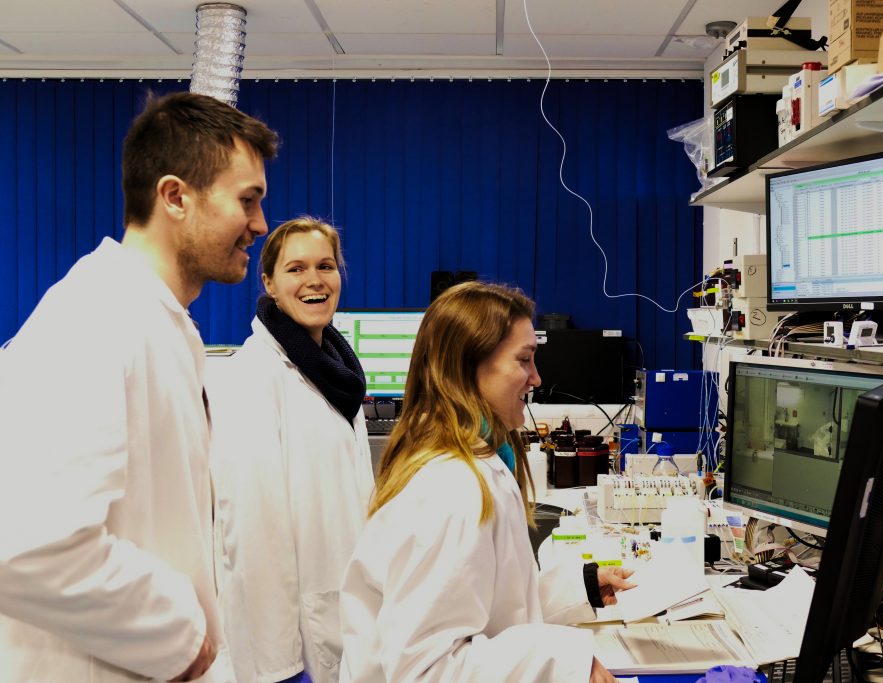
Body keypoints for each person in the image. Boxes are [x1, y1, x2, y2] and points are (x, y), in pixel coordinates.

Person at [0, 92, 278, 682]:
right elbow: (24, 544)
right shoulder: (93, 317)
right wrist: (180, 635)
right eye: (247, 200)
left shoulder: (161, 322)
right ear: (175, 196)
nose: (260, 225)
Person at [338, 281, 635, 683]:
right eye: (524, 360)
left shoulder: (479, 459)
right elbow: (425, 671)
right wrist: (563, 661)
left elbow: (490, 605)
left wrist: (577, 586)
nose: (536, 378)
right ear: (468, 367)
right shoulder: (451, 488)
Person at [208, 217, 375, 683]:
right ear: (269, 283)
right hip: (295, 638)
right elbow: (251, 529)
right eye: (296, 269)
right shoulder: (253, 377)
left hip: (344, 610)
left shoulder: (338, 372)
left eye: (326, 265)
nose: (314, 281)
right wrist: (278, 665)